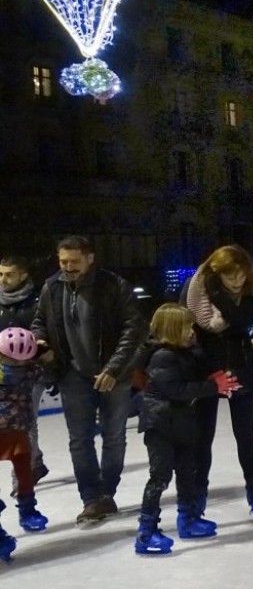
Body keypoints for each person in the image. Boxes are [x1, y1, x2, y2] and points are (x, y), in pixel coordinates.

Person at [31, 236, 146, 523]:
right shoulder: (52, 287)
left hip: (113, 375)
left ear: (90, 258)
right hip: (73, 375)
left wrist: (114, 369)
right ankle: (91, 498)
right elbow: (39, 322)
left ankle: (107, 493)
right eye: (63, 261)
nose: (67, 267)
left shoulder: (114, 286)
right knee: (79, 440)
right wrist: (41, 343)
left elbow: (134, 330)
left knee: (114, 435)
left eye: (74, 261)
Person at [133, 304, 241, 556]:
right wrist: (213, 387)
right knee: (159, 477)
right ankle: (146, 532)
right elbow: (177, 390)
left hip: (181, 424)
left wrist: (216, 376)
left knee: (186, 473)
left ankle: (188, 520)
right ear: (172, 330)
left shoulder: (187, 352)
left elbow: (203, 368)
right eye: (186, 327)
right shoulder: (162, 356)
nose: (192, 331)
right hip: (160, 426)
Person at [184, 245, 253, 523]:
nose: (238, 281)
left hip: (240, 366)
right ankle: (197, 496)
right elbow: (185, 327)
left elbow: (240, 324)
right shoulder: (194, 289)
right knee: (202, 437)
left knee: (245, 433)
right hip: (205, 369)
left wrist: (220, 296)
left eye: (241, 275)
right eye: (230, 276)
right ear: (215, 273)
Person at [0, 326, 52, 562]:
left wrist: (42, 351)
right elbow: (45, 359)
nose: (16, 368)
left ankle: (28, 510)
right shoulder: (31, 369)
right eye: (11, 362)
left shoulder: (31, 370)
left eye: (21, 363)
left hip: (19, 430)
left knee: (25, 473)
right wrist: (43, 352)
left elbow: (45, 362)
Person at [0, 256, 48, 493]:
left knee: (25, 421)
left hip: (30, 372)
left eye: (9, 274)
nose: (3, 279)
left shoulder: (37, 301)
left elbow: (44, 333)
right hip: (1, 373)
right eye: (0, 274)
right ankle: (35, 461)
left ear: (23, 275)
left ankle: (22, 476)